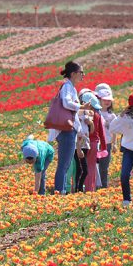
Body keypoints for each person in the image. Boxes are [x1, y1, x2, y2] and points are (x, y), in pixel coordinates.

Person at [49, 61, 84, 194]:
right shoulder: (67, 87)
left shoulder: (71, 88)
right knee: (64, 165)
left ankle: (60, 191)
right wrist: (80, 106)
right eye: (81, 72)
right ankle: (60, 192)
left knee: (65, 164)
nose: (83, 75)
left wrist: (79, 129)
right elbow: (66, 103)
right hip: (66, 130)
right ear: (73, 74)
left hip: (69, 129)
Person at [95, 83, 116, 189]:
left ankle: (103, 185)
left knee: (104, 166)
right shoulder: (95, 113)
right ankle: (94, 185)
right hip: (96, 143)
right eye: (105, 100)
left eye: (109, 100)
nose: (107, 102)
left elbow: (114, 130)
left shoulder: (112, 115)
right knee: (95, 165)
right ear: (99, 100)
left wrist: (115, 144)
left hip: (107, 143)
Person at [73, 97, 94, 193]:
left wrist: (91, 123)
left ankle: (78, 189)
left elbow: (91, 131)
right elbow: (76, 132)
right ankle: (79, 189)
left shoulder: (88, 115)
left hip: (85, 144)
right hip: (78, 145)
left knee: (80, 168)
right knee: (82, 169)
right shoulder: (75, 115)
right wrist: (78, 147)